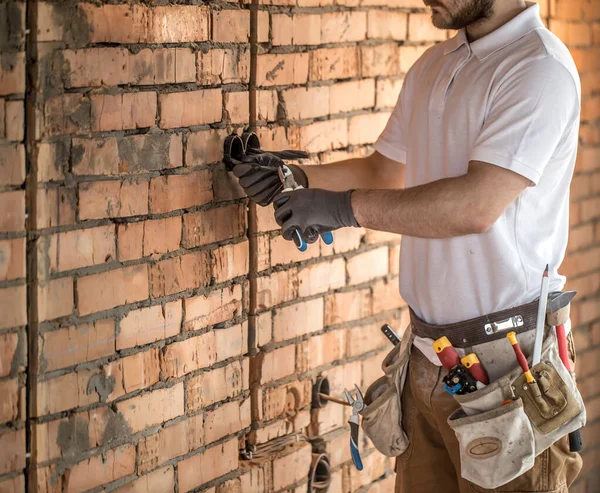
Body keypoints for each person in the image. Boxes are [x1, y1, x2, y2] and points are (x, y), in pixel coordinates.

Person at [233, 0, 583, 491]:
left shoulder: (539, 69)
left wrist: (343, 208)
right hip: (428, 358)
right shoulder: (435, 66)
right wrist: (295, 178)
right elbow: (384, 170)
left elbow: (474, 206)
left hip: (509, 368)